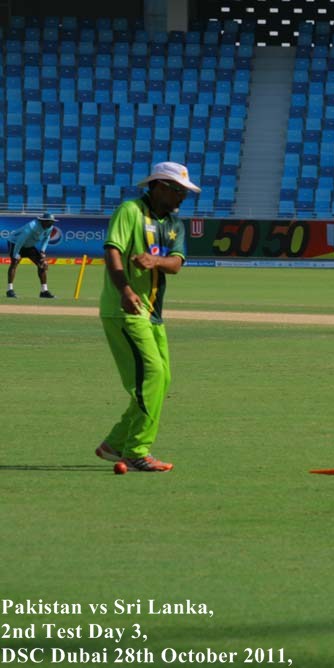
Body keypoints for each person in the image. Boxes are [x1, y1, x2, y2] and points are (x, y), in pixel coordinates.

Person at [94, 162, 200, 472]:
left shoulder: (174, 224)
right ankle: (137, 450)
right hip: (124, 308)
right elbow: (112, 250)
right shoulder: (130, 211)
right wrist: (125, 289)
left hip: (153, 314)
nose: (183, 197)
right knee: (151, 377)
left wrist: (155, 261)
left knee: (160, 380)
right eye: (178, 191)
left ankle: (115, 443)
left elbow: (177, 264)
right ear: (159, 186)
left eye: (185, 192)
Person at [7, 212, 58, 298]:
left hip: (29, 246)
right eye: (49, 221)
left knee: (42, 264)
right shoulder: (32, 226)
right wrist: (16, 254)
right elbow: (20, 241)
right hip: (15, 242)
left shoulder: (50, 227)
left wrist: (42, 251)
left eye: (52, 222)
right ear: (43, 221)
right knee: (14, 263)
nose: (51, 223)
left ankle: (44, 291)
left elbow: (46, 239)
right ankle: (10, 290)